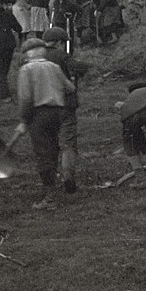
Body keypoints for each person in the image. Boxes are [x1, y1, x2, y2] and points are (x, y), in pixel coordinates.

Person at [16, 38, 76, 210]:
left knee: (42, 152)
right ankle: (54, 184)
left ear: (28, 54)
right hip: (57, 112)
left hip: (38, 114)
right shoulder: (54, 67)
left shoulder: (26, 69)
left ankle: (50, 197)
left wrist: (23, 120)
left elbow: (26, 98)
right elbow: (70, 88)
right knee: (53, 148)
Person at [43, 27, 90, 194]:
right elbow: (79, 68)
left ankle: (50, 178)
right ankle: (68, 176)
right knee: (68, 142)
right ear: (60, 42)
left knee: (49, 143)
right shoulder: (61, 55)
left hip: (45, 107)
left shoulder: (37, 57)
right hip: (65, 104)